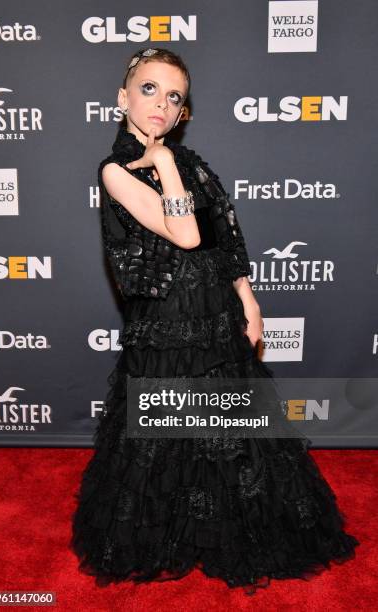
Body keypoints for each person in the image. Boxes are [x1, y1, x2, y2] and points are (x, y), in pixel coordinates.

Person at [70, 47, 359, 596]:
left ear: (182, 112)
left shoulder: (192, 163)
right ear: (122, 97)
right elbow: (185, 234)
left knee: (231, 434)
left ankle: (227, 531)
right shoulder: (114, 172)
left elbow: (225, 238)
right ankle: (168, 537)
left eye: (174, 96)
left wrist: (247, 300)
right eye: (150, 89)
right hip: (165, 326)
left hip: (216, 316)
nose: (161, 104)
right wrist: (164, 164)